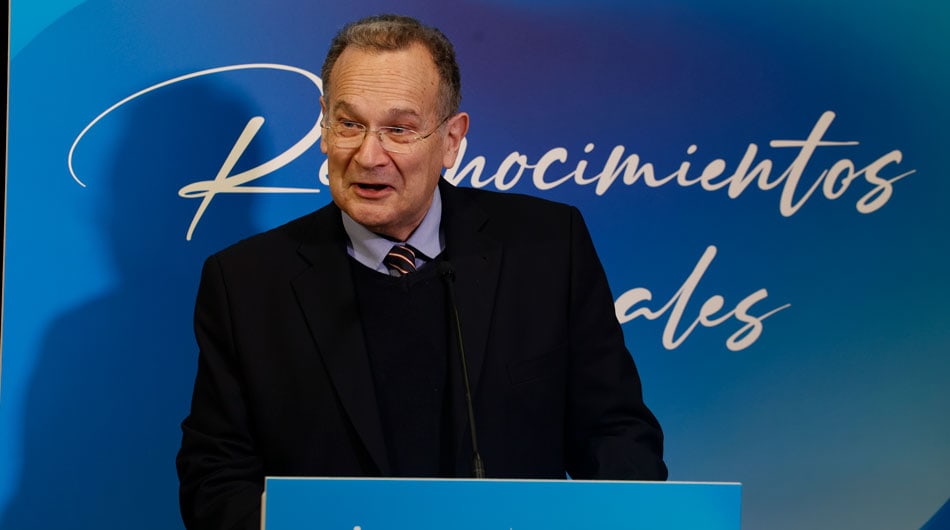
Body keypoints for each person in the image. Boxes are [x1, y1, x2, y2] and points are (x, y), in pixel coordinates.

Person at [176, 14, 667, 530]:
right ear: (323, 126)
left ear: (452, 139)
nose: (368, 155)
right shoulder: (246, 283)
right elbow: (215, 479)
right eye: (349, 124)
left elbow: (615, 435)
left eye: (398, 129)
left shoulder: (547, 248)